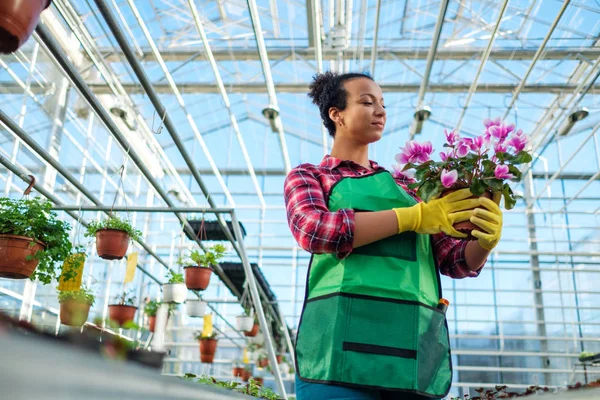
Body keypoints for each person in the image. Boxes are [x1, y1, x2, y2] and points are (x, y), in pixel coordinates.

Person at [283, 71, 503, 400]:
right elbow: (313, 229)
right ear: (336, 114)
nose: (381, 111)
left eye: (382, 104)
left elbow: (453, 261)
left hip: (408, 350)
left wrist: (483, 242)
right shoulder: (312, 175)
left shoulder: (410, 187)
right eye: (367, 102)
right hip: (336, 353)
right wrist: (410, 217)